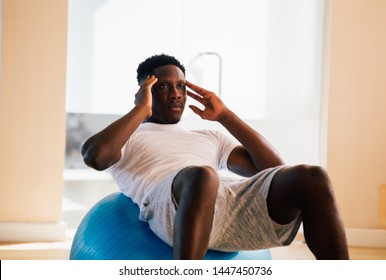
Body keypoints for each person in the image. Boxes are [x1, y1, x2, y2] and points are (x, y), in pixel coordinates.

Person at [81, 54, 349, 260]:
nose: (176, 93)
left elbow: (273, 169)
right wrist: (141, 109)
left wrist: (226, 117)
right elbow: (96, 157)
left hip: (228, 205)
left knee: (313, 177)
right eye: (163, 86)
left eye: (181, 86)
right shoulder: (127, 136)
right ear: (146, 91)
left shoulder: (209, 136)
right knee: (203, 175)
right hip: (172, 209)